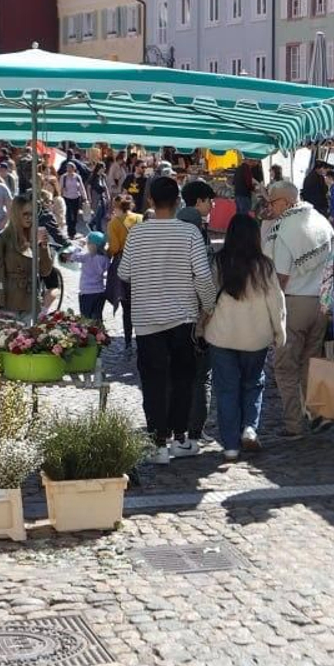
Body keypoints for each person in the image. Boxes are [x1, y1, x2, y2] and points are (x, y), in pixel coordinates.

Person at [118, 176, 216, 464]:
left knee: (153, 382)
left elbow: (124, 273)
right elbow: (203, 276)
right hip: (183, 318)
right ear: (177, 202)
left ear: (149, 201)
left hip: (147, 320)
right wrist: (208, 308)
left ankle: (158, 441)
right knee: (183, 379)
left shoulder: (137, 234)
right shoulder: (190, 234)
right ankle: (180, 438)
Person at [203, 213, 286, 461]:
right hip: (256, 336)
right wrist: (279, 332)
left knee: (226, 390)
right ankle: (249, 427)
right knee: (253, 382)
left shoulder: (219, 262)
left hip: (222, 335)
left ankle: (230, 445)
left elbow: (207, 297)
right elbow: (276, 302)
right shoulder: (265, 266)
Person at [261, 180, 334, 440]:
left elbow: (280, 276)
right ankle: (318, 414)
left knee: (284, 366)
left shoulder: (287, 229)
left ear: (285, 201)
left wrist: (270, 308)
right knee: (311, 361)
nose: (269, 207)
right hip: (321, 302)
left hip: (294, 302)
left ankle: (294, 424)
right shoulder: (320, 220)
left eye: (272, 201)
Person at [177, 179, 216, 439]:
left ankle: (175, 427)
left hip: (172, 311)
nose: (212, 205)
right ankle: (194, 430)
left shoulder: (173, 227)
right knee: (200, 374)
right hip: (195, 311)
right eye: (209, 200)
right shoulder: (196, 231)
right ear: (199, 201)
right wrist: (210, 307)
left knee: (179, 373)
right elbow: (202, 276)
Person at [0, 194, 57, 319]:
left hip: (31, 300)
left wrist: (42, 246)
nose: (29, 218)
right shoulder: (3, 239)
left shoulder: (36, 235)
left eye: (32, 214)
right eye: (25, 214)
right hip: (9, 302)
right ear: (16, 214)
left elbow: (45, 271)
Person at [105, 195, 143, 348]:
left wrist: (107, 253)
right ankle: (141, 337)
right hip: (141, 263)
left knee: (126, 305)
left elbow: (114, 247)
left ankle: (128, 340)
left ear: (116, 207)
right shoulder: (140, 218)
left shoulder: (113, 223)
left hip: (124, 263)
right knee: (141, 304)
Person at [77, 232, 110, 321]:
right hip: (100, 291)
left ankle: (88, 334)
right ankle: (100, 333)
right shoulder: (105, 258)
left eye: (88, 243)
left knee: (86, 318)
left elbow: (73, 256)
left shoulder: (86, 257)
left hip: (86, 292)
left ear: (91, 245)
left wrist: (80, 246)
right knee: (97, 317)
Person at [59, 161, 86, 239]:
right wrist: (60, 197)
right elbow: (60, 188)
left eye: (70, 167)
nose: (68, 169)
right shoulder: (63, 177)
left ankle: (73, 230)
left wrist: (85, 197)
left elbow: (81, 187)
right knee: (68, 215)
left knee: (74, 215)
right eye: (67, 167)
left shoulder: (77, 177)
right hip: (66, 198)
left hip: (76, 197)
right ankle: (70, 232)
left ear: (74, 169)